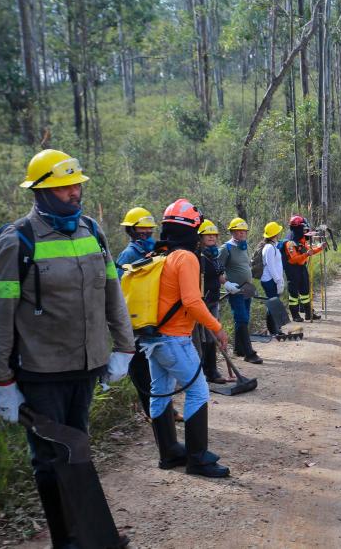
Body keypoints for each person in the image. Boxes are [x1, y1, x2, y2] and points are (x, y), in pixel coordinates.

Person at [0, 149, 136, 547]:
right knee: (50, 460)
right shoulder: (16, 241)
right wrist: (2, 379)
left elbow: (112, 292)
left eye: (76, 185)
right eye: (64, 187)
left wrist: (125, 347)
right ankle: (67, 539)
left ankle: (88, 532)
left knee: (78, 448)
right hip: (41, 372)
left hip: (86, 366)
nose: (74, 192)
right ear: (42, 193)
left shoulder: (92, 231)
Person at [139, 199, 231, 478]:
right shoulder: (186, 258)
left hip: (153, 339)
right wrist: (217, 327)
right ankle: (198, 458)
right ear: (192, 229)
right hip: (175, 339)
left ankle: (169, 452)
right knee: (198, 391)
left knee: (160, 391)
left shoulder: (160, 254)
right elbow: (192, 301)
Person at [116, 207, 159, 417]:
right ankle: (151, 413)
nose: (146, 233)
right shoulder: (129, 254)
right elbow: (117, 285)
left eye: (148, 229)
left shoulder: (154, 252)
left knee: (156, 369)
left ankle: (163, 409)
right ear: (131, 231)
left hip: (152, 317)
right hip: (133, 321)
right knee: (141, 369)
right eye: (141, 229)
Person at [219, 218, 263, 364]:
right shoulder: (226, 248)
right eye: (239, 231)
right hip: (236, 290)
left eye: (244, 231)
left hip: (247, 288)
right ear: (232, 232)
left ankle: (239, 349)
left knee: (244, 318)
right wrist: (226, 284)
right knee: (242, 318)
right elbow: (216, 269)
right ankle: (249, 353)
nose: (242, 233)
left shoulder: (244, 246)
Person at [195, 219, 228, 383]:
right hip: (203, 302)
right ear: (200, 237)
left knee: (211, 336)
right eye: (207, 235)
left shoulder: (215, 254)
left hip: (214, 300)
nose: (211, 237)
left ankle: (212, 371)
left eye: (213, 235)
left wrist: (226, 281)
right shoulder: (198, 256)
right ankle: (203, 372)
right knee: (202, 337)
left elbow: (221, 275)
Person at [283, 215, 326, 321]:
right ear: (297, 228)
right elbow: (294, 259)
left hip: (301, 267)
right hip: (292, 270)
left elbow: (309, 249)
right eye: (303, 228)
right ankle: (295, 315)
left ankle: (308, 313)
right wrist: (306, 255)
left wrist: (320, 248)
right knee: (293, 294)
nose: (305, 230)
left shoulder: (300, 239)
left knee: (305, 291)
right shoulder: (289, 242)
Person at [259, 221, 286, 335]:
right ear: (275, 234)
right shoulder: (269, 248)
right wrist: (278, 280)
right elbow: (271, 266)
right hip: (270, 280)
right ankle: (274, 329)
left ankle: (275, 328)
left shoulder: (272, 246)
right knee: (273, 304)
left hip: (272, 280)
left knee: (274, 303)